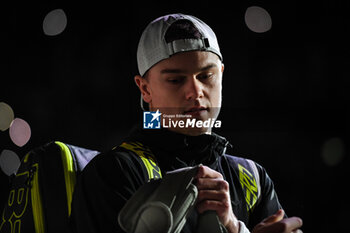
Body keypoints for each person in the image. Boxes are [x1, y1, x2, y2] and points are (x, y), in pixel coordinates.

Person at [69, 13, 303, 233]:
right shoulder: (115, 172)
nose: (195, 91)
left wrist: (234, 225)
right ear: (145, 88)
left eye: (205, 76)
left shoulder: (251, 177)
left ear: (221, 74)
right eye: (176, 80)